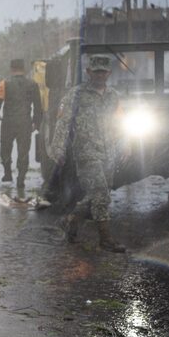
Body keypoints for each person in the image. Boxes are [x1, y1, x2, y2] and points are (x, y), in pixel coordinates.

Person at [48, 55, 126, 253]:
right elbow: (63, 122)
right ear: (88, 72)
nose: (100, 75)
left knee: (99, 193)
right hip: (86, 151)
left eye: (103, 71)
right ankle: (106, 239)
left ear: (109, 73)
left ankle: (70, 220)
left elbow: (119, 122)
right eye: (96, 71)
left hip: (109, 151)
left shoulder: (113, 96)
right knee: (100, 193)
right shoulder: (75, 95)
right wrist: (57, 149)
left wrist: (126, 144)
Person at [0, 59, 42, 188]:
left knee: (5, 149)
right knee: (23, 152)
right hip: (25, 123)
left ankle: (7, 174)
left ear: (11, 69)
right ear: (24, 69)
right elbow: (38, 107)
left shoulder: (4, 84)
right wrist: (36, 123)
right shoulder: (33, 84)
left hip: (8, 123)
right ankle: (21, 179)